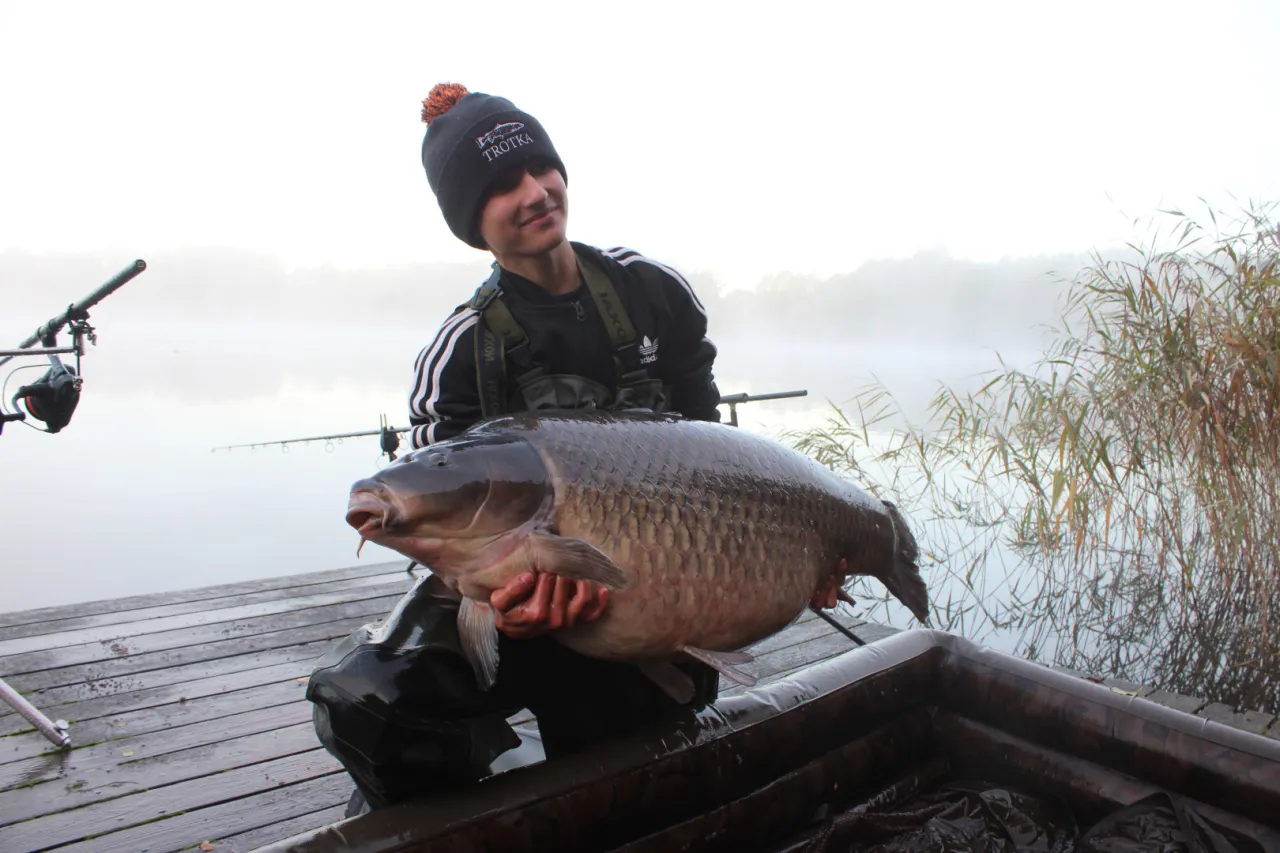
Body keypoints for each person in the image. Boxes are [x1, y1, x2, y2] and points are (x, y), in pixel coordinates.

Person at [306, 82, 734, 815]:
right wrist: (505, 598)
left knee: (621, 764)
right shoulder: (458, 351)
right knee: (369, 702)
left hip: (640, 581)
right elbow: (436, 526)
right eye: (503, 186)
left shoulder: (652, 291)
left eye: (542, 169)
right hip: (501, 575)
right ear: (471, 220)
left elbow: (711, 444)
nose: (535, 192)